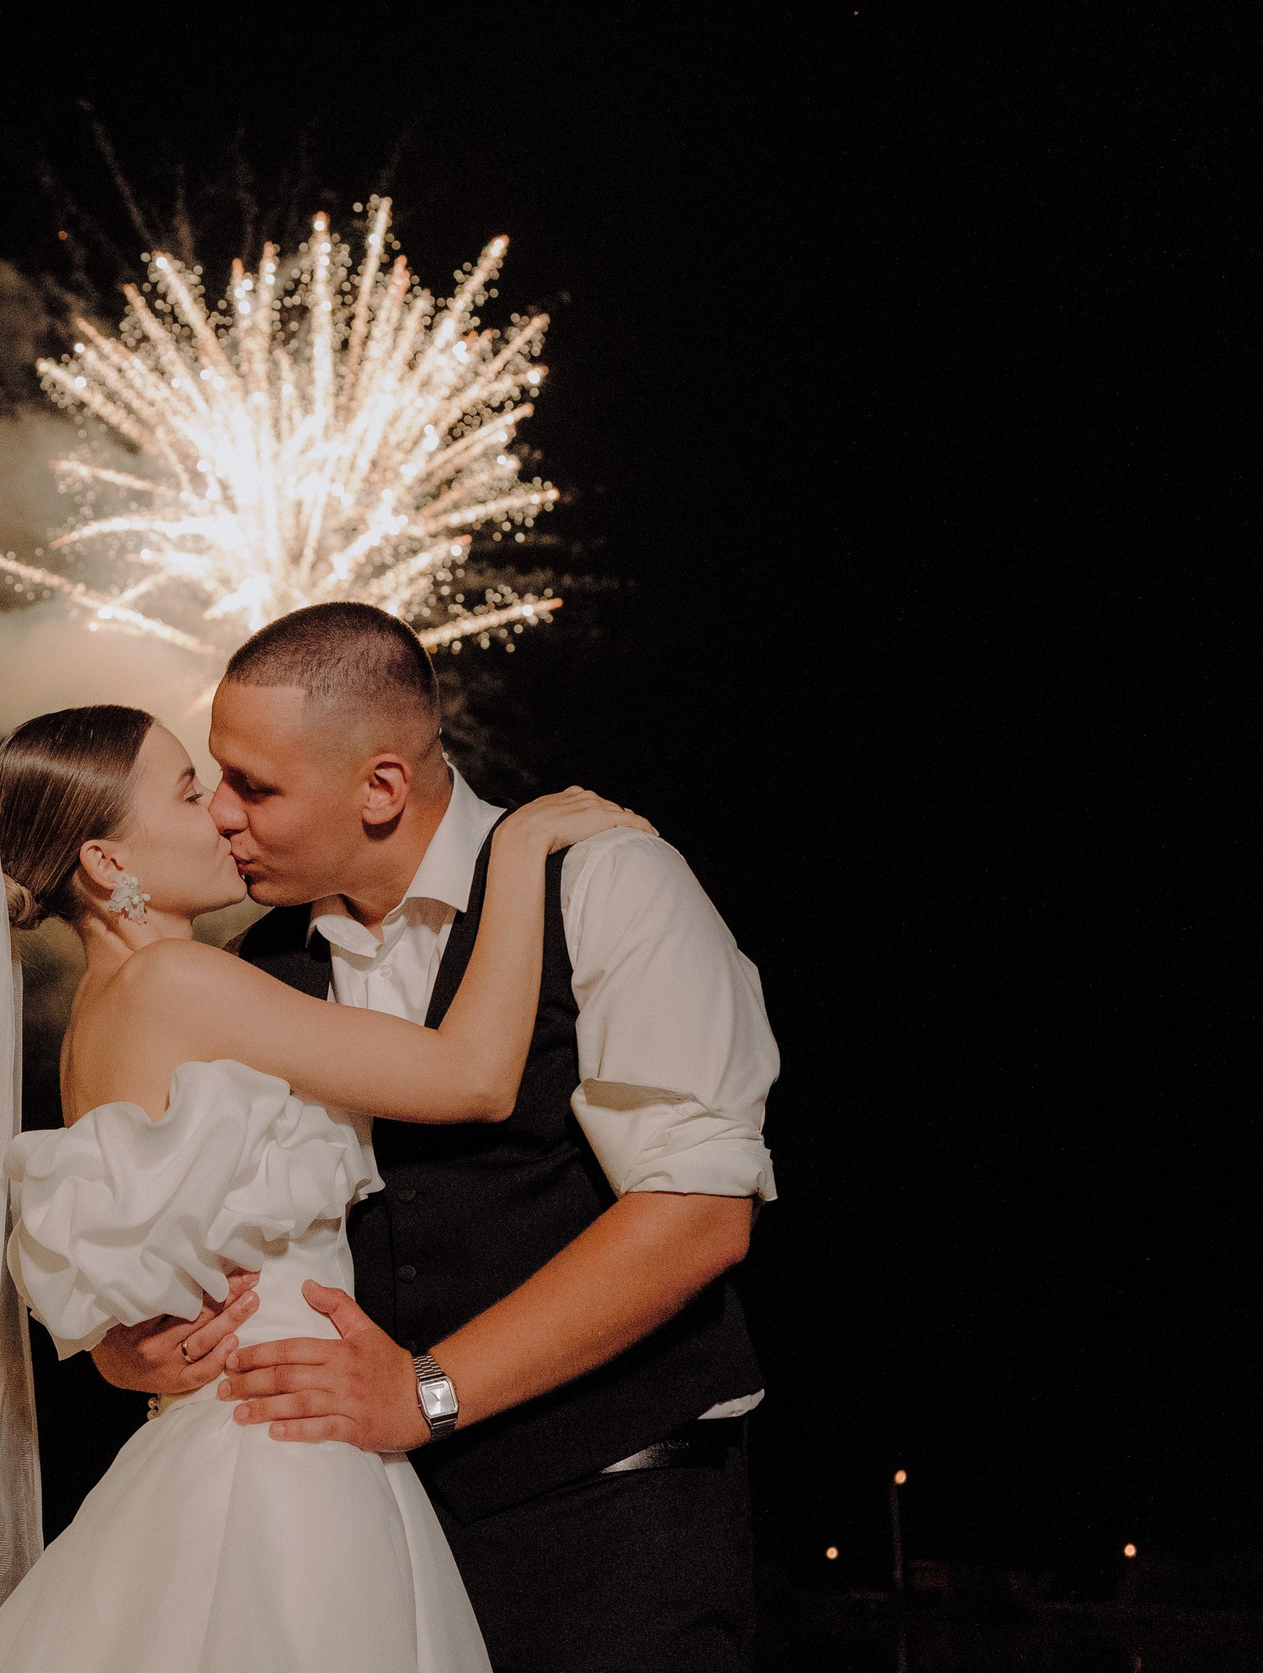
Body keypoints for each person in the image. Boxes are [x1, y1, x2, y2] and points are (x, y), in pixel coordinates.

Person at [0, 699, 647, 1673]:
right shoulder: (176, 984)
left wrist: (126, 1352)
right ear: (111, 864)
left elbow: (130, 1295)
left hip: (220, 1435)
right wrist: (521, 848)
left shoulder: (99, 1020)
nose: (226, 815)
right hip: (285, 1447)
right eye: (191, 790)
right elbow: (474, 1075)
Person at [92, 603, 781, 1672]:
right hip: (360, 1539)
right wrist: (132, 1344)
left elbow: (696, 1217)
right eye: (214, 777)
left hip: (607, 1515)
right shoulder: (249, 971)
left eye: (255, 785)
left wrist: (428, 1389)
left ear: (379, 786)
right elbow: (165, 1221)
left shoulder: (608, 883)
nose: (220, 812)